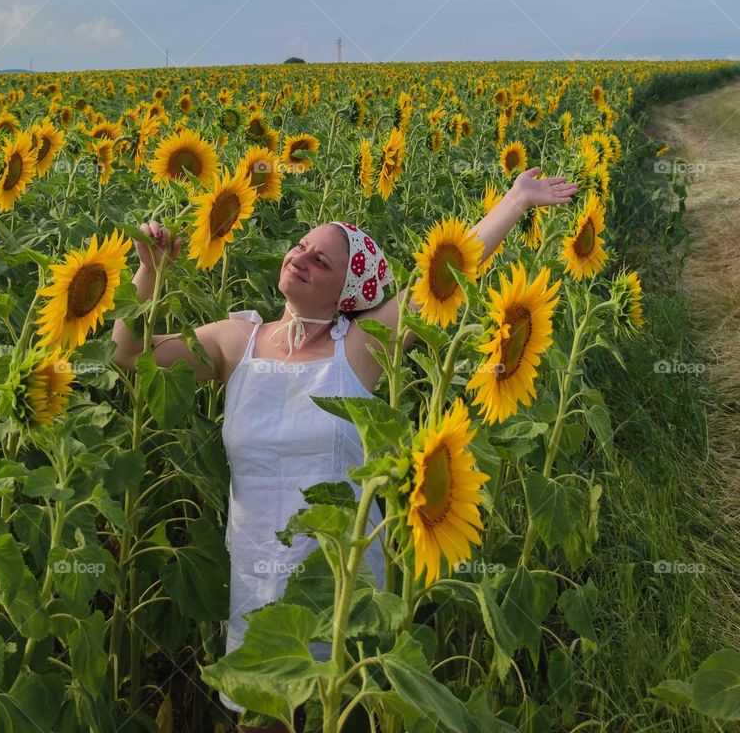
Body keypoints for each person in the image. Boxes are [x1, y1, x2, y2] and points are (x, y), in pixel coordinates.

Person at [111, 167, 578, 732]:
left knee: (342, 711)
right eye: (302, 247)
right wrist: (148, 273)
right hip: (257, 574)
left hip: (342, 581)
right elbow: (131, 355)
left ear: (347, 292)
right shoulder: (237, 341)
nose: (299, 258)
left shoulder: (359, 349)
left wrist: (515, 201)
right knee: (262, 719)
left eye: (321, 261)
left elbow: (442, 279)